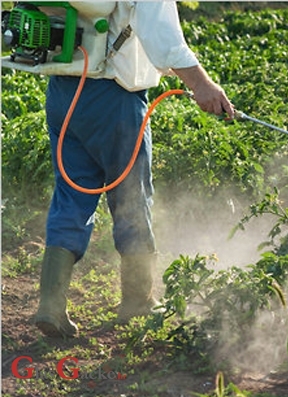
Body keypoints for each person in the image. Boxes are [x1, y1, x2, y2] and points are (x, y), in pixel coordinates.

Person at [34, 2, 235, 338]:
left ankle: (50, 306)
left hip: (63, 93)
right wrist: (202, 85)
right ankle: (138, 301)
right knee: (131, 197)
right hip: (114, 99)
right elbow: (164, 37)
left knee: (71, 196)